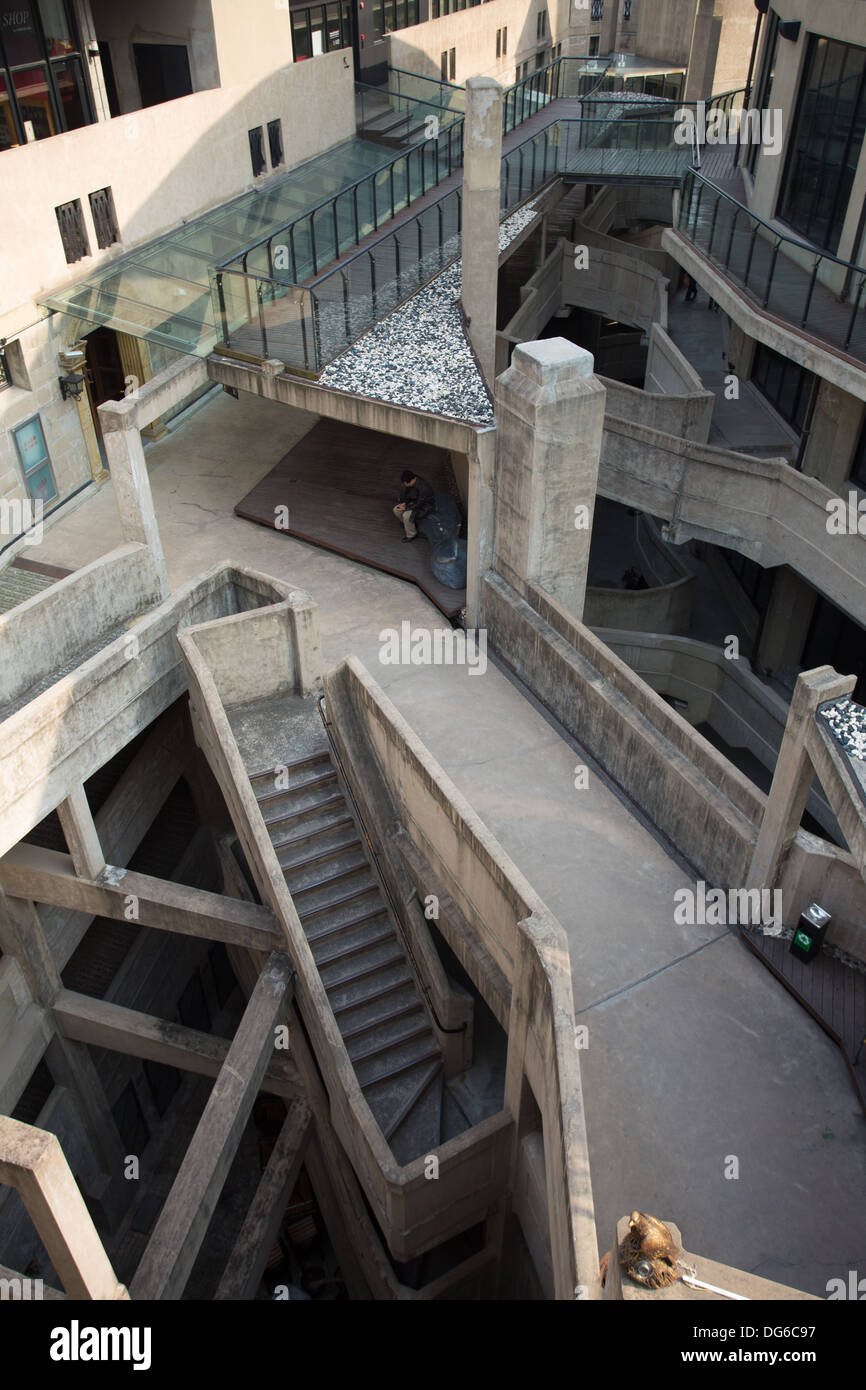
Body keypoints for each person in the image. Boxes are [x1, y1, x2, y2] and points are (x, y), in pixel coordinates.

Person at [393, 469, 435, 543]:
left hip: (424, 506)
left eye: (404, 483)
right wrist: (404, 502)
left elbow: (420, 504)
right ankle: (407, 525)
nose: (404, 485)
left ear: (408, 482)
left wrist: (406, 508)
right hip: (414, 502)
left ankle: (411, 535)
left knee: (407, 515)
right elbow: (407, 495)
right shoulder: (412, 482)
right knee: (396, 509)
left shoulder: (424, 488)